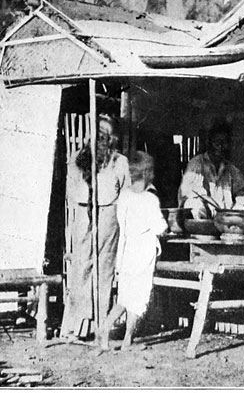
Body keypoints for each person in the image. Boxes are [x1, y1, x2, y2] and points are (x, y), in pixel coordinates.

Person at [61, 114, 131, 340]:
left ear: (112, 138)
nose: (101, 139)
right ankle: (75, 324)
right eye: (98, 134)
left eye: (106, 135)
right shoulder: (78, 158)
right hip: (83, 211)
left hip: (109, 212)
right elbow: (71, 189)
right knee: (81, 265)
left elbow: (126, 192)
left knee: (104, 267)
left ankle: (99, 325)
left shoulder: (120, 161)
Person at [100, 151, 168, 351]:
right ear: (147, 174)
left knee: (124, 298)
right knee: (138, 299)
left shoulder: (125, 196)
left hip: (127, 251)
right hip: (143, 254)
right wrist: (166, 228)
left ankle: (105, 329)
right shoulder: (149, 200)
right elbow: (160, 228)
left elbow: (122, 222)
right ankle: (127, 339)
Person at [178, 120, 244, 218]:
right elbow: (193, 193)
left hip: (225, 218)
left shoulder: (230, 169)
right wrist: (217, 209)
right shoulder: (196, 164)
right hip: (206, 217)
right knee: (194, 204)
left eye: (225, 143)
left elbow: (243, 190)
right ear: (209, 143)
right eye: (218, 143)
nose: (221, 147)